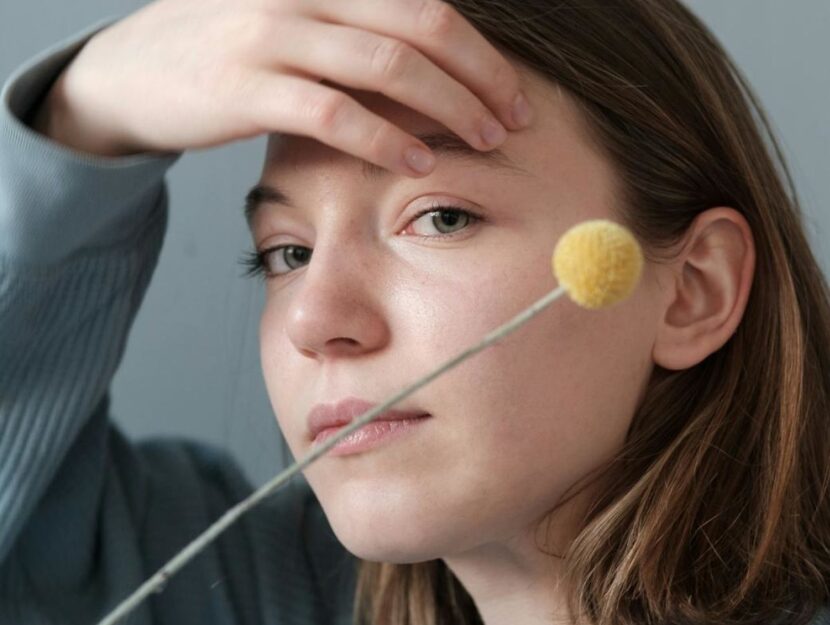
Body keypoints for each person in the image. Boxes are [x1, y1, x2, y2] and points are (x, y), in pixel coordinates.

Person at [1, 0, 828, 624]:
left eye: (441, 217)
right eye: (286, 252)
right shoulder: (258, 587)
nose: (315, 319)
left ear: (695, 291)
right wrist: (85, 112)